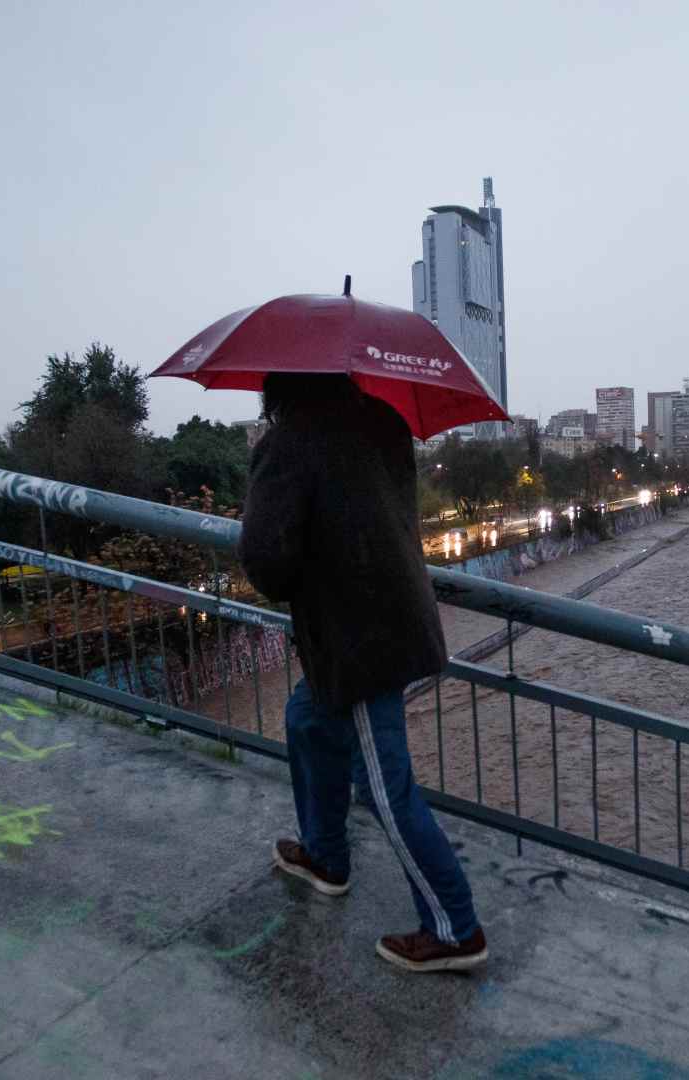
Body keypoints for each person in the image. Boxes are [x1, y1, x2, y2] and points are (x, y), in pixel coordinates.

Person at [237, 372, 487, 972]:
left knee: (384, 785)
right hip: (392, 620)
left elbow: (268, 567)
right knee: (305, 717)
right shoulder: (384, 424)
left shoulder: (288, 444)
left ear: (280, 387)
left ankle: (455, 928)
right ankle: (325, 855)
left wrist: (263, 491)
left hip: (359, 643)